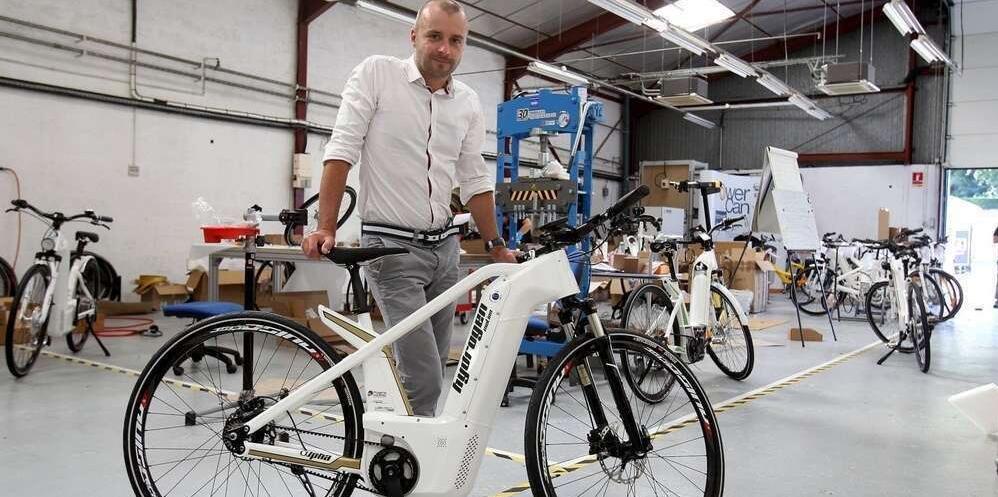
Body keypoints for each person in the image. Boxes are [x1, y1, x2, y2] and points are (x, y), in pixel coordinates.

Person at [302, 0, 516, 416]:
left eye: (456, 40)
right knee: (424, 377)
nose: (445, 49)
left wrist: (496, 245)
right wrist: (326, 226)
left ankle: (399, 441)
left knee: (433, 366)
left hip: (446, 253)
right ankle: (405, 453)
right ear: (414, 36)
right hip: (392, 249)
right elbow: (342, 149)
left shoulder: (468, 101)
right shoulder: (378, 74)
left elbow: (474, 179)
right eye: (435, 36)